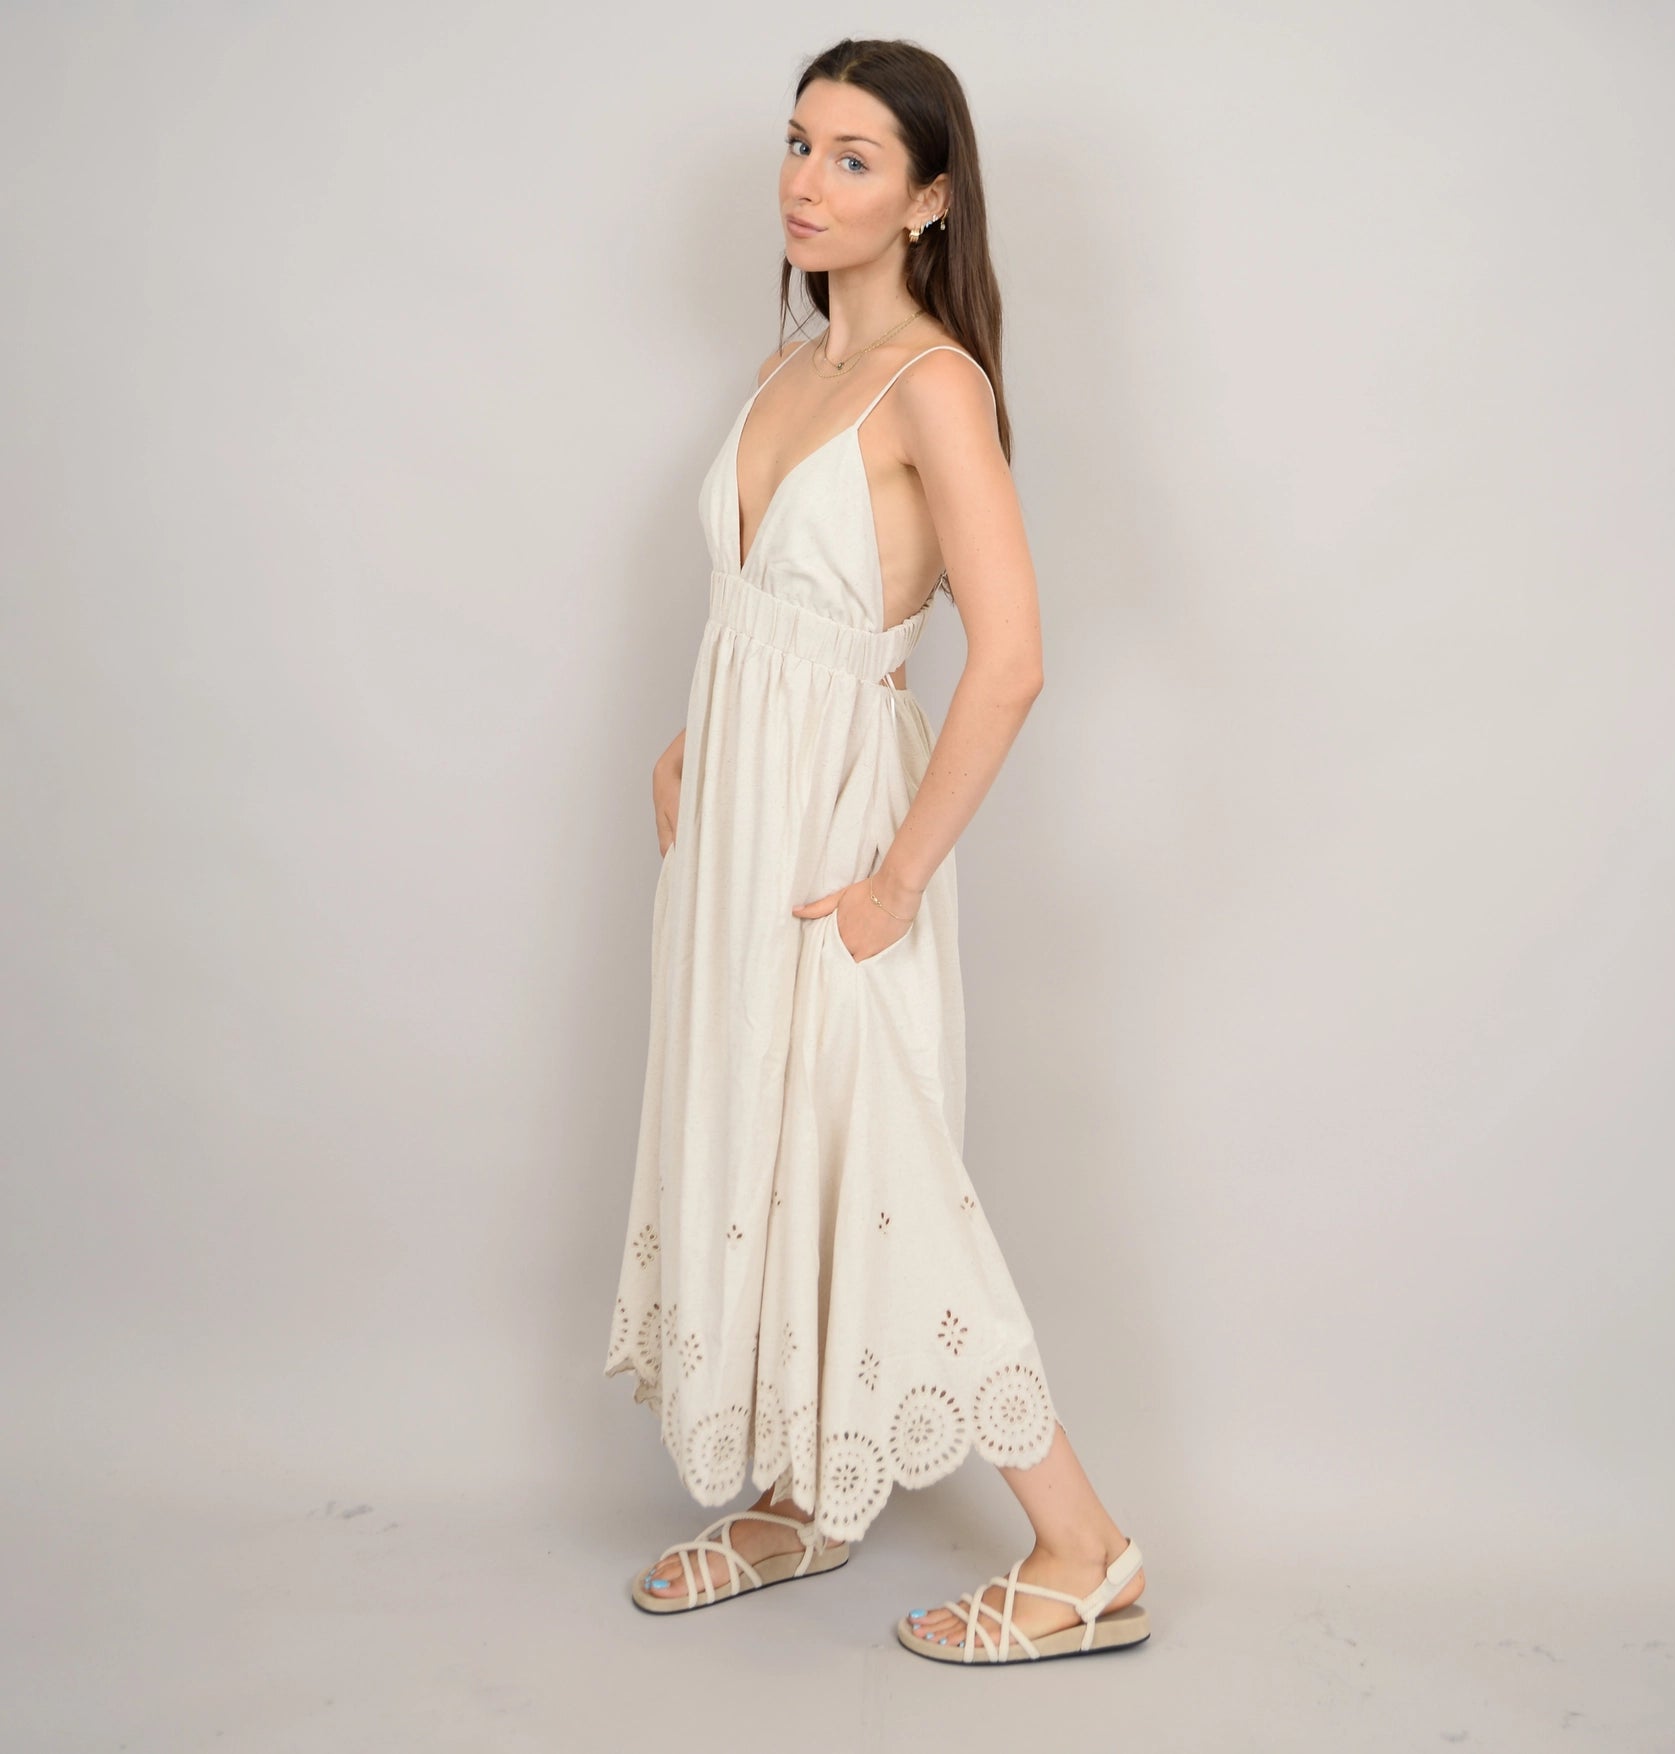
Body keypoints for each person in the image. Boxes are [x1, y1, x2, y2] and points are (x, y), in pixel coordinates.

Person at [602, 38, 1149, 1664]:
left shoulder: (932, 385)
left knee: (887, 1162)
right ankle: (805, 1490)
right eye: (797, 142)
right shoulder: (787, 371)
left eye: (852, 157)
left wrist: (897, 879)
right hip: (735, 825)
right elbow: (763, 607)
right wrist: (694, 737)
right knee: (769, 1139)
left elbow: (1011, 657)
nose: (805, 179)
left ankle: (1086, 1549)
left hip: (839, 831)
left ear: (927, 199)